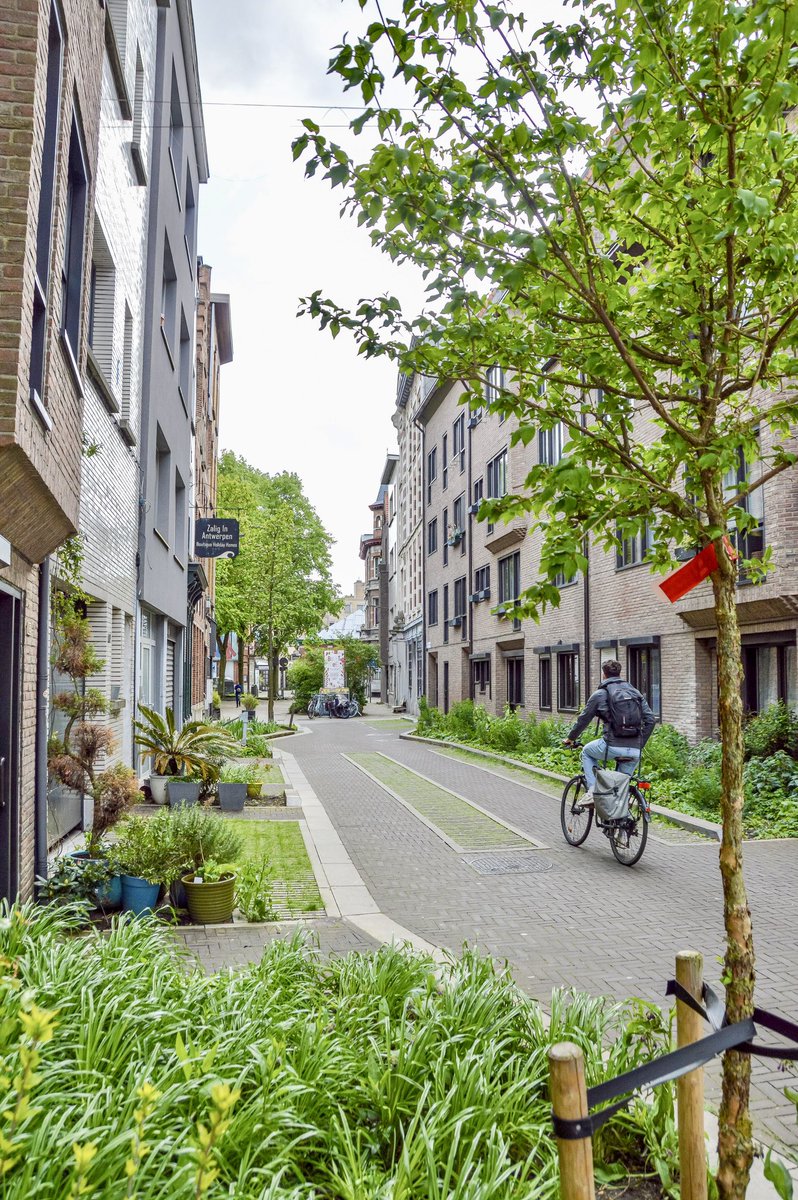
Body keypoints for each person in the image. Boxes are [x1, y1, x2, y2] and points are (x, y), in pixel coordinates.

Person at [563, 659, 655, 807]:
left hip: (611, 746)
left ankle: (592, 791)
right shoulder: (635, 692)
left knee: (586, 752)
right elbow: (650, 720)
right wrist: (639, 744)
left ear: (603, 674)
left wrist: (570, 738)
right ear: (619, 673)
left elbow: (583, 719)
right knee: (621, 787)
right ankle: (623, 824)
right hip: (634, 750)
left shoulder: (600, 694)